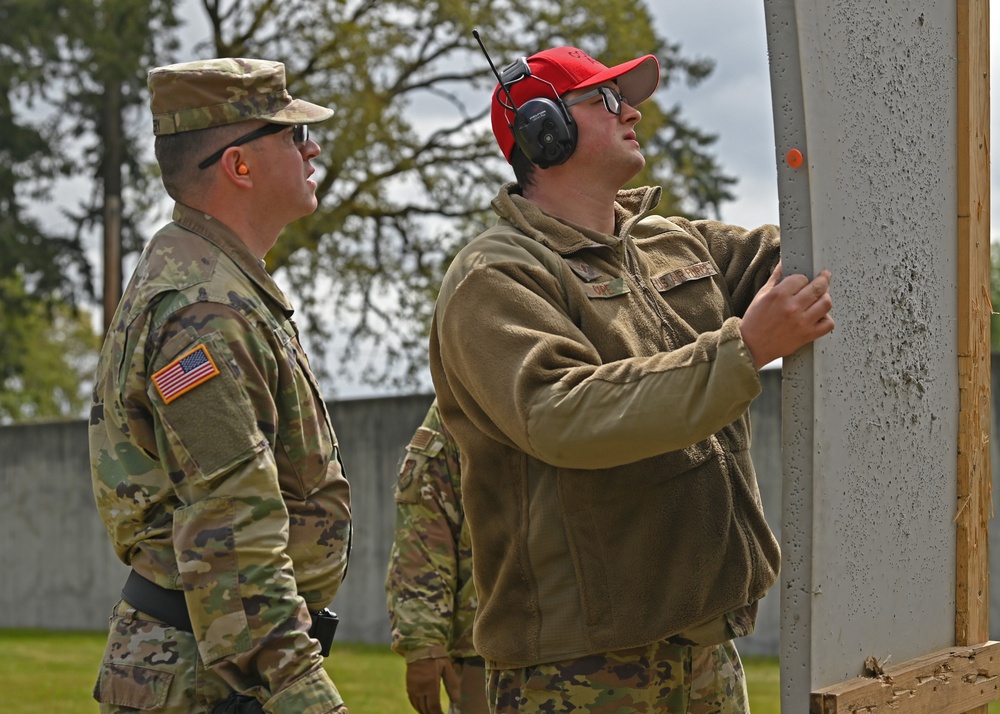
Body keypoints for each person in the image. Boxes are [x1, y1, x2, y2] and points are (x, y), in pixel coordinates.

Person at [428, 45, 835, 713]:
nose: (633, 111)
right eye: (606, 100)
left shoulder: (676, 245)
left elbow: (813, 257)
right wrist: (745, 348)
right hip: (577, 671)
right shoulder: (496, 276)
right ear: (542, 130)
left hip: (705, 651)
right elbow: (562, 415)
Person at [88, 58, 352, 714]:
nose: (311, 146)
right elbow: (231, 538)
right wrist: (305, 696)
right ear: (239, 166)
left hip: (211, 663)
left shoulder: (217, 284)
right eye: (292, 136)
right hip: (210, 674)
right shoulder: (201, 309)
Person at [386, 399, 488, 714]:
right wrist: (423, 643)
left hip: (621, 640)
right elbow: (426, 531)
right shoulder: (465, 391)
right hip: (487, 649)